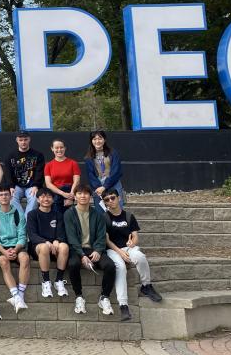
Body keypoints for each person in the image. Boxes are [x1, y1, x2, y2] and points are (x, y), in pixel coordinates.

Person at [103, 188, 162, 321]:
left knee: (140, 257)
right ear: (105, 203)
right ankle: (123, 305)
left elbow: (135, 236)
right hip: (113, 250)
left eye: (113, 198)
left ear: (119, 198)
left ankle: (146, 286)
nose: (110, 201)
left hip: (129, 247)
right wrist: (120, 252)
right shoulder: (104, 218)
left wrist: (132, 244)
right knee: (121, 268)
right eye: (107, 200)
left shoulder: (129, 216)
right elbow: (106, 240)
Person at [64, 184, 116, 317]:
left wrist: (98, 250)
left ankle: (104, 297)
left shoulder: (97, 214)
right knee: (73, 264)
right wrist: (81, 255)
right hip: (77, 250)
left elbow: (101, 235)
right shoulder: (69, 214)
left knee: (110, 266)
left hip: (94, 249)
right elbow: (71, 237)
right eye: (80, 193)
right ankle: (79, 296)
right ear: (75, 197)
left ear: (90, 196)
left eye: (86, 193)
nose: (83, 196)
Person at [0, 186, 29, 313]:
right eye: (1, 195)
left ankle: (19, 296)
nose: (4, 197)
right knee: (3, 262)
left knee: (25, 258)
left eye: (6, 194)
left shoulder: (19, 214)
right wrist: (5, 252)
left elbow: (22, 236)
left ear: (11, 197)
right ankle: (15, 295)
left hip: (16, 245)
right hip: (0, 247)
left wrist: (15, 250)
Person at [27, 187, 69, 298]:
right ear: (37, 200)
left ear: (53, 199)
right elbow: (32, 235)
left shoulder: (58, 214)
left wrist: (57, 240)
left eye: (49, 196)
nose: (46, 199)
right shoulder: (32, 214)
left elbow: (62, 233)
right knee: (44, 247)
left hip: (55, 247)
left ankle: (59, 281)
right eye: (43, 196)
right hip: (38, 248)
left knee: (64, 246)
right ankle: (46, 282)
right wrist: (46, 242)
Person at [5, 131, 45, 215]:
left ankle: (28, 221)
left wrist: (36, 185)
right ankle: (22, 221)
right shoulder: (10, 155)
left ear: (29, 140)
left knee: (35, 198)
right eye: (21, 140)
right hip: (17, 186)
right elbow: (8, 173)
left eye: (25, 139)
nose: (23, 142)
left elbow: (39, 172)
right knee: (11, 197)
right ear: (17, 140)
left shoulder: (38, 155)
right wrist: (11, 186)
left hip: (32, 186)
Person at [85, 130, 124, 210]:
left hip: (113, 183)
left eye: (100, 138)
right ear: (91, 141)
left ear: (104, 140)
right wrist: (99, 187)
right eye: (94, 139)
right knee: (101, 210)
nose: (97, 141)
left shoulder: (113, 153)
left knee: (117, 208)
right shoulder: (89, 157)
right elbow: (90, 175)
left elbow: (116, 171)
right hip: (98, 186)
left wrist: (105, 186)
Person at [45, 139, 81, 213]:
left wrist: (70, 196)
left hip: (71, 192)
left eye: (61, 147)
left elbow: (76, 181)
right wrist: (63, 194)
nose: (59, 150)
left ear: (65, 148)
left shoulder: (73, 163)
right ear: (52, 149)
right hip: (56, 193)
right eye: (56, 148)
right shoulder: (48, 165)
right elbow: (48, 184)